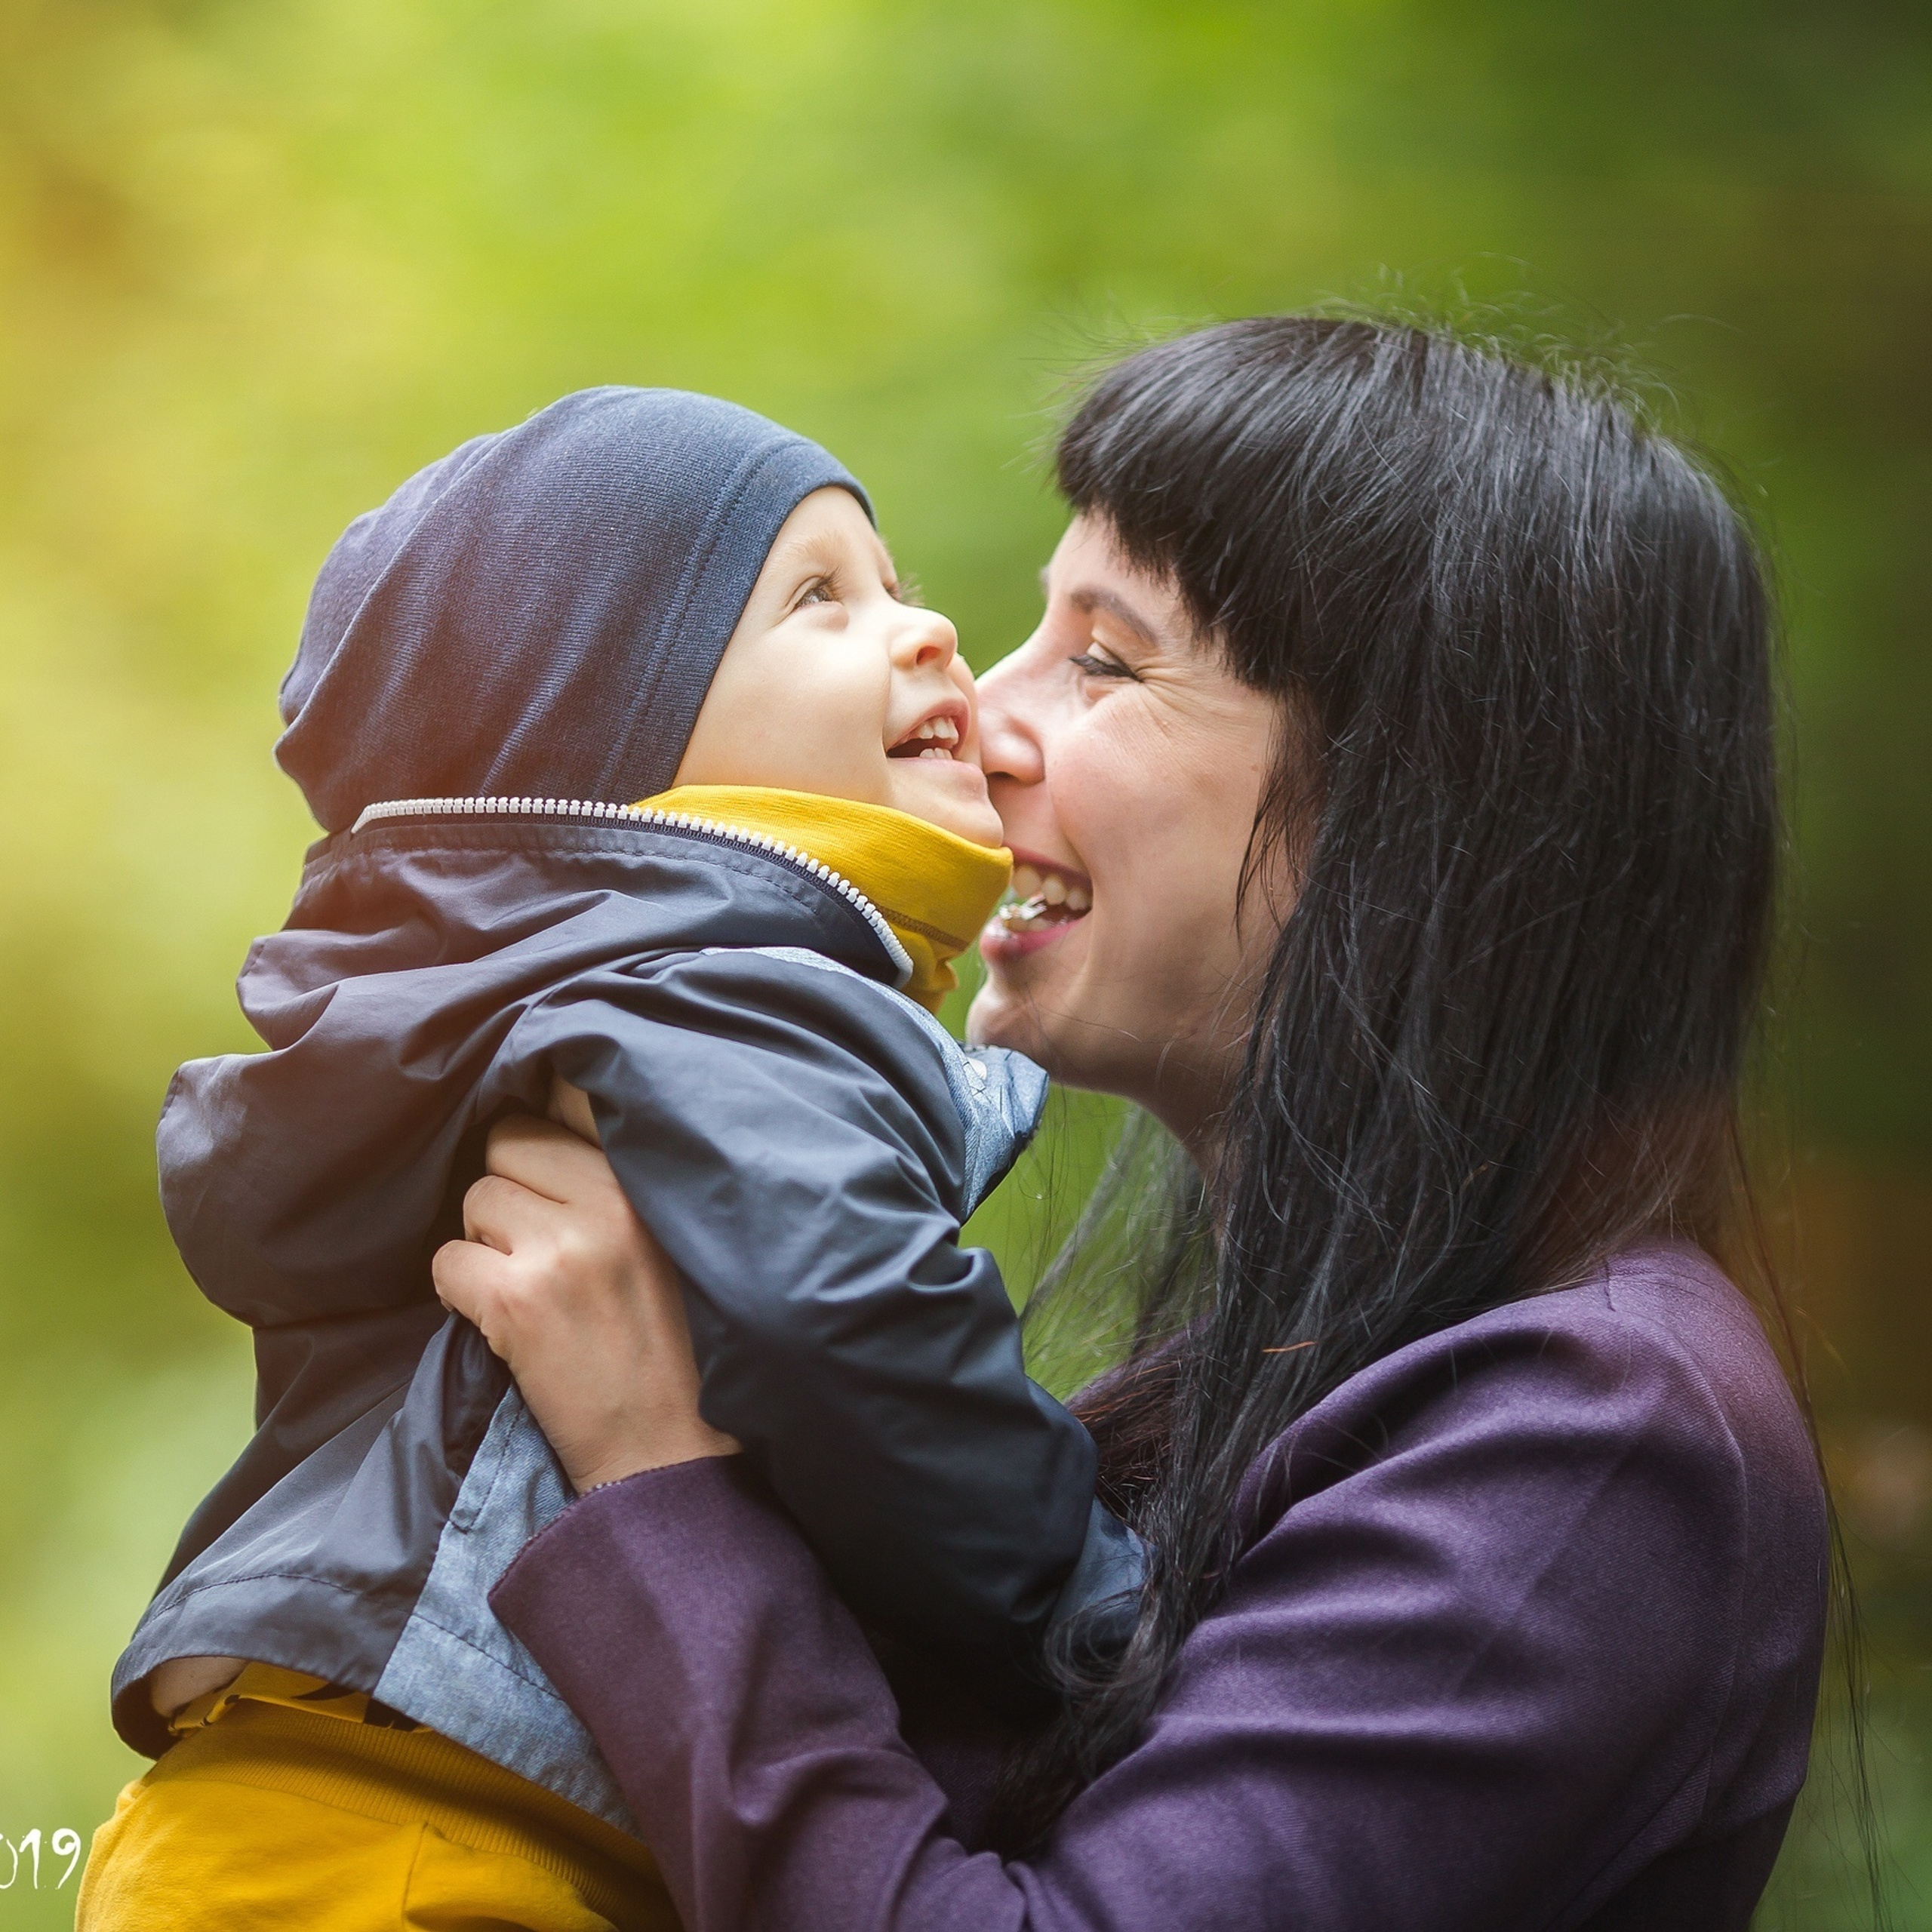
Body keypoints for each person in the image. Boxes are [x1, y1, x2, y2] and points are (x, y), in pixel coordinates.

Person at [438, 316, 1832, 1930]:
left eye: (1102, 660)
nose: (978, 714)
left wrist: (654, 1477)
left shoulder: (1599, 1440)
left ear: (1414, 802)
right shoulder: (1265, 1380)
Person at [80, 388, 1143, 1932]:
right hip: (415, 1836)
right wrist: (1090, 1602)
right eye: (817, 598)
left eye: (898, 583)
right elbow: (849, 1316)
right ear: (608, 748)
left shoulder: (595, 989)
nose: (924, 633)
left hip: (327, 1816)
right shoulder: (723, 988)